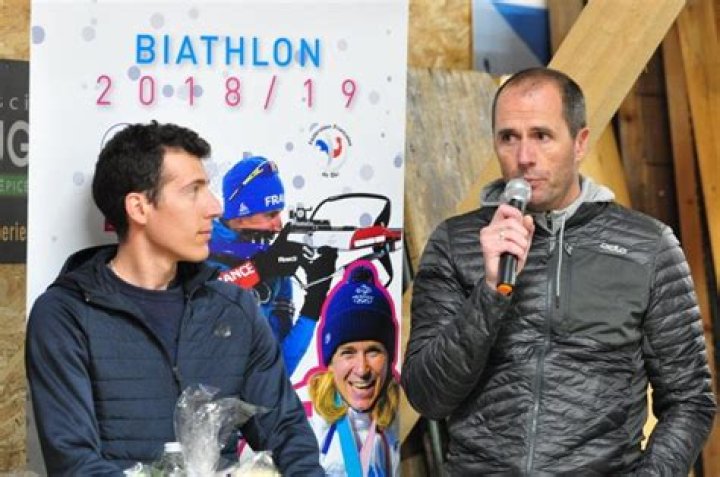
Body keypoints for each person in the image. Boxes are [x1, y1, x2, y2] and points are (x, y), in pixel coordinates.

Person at [401, 67, 716, 475]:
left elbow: (690, 400)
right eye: (508, 137)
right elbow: (428, 396)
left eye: (541, 136)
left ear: (580, 142)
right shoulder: (456, 243)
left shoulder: (647, 247)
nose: (524, 157)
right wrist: (490, 292)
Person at [25, 122, 323, 476]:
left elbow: (288, 435)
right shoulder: (64, 317)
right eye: (193, 190)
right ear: (139, 208)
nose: (214, 207)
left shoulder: (235, 308)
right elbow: (74, 463)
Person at [209, 156, 337, 376]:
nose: (279, 226)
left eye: (279, 213)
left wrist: (315, 299)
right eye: (270, 214)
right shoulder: (196, 246)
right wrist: (260, 269)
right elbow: (202, 303)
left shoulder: (275, 265)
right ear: (240, 216)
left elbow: (280, 370)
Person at [308, 262, 400, 476]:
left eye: (373, 351)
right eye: (348, 353)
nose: (362, 369)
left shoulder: (406, 420)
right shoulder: (303, 433)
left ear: (389, 358)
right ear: (330, 362)